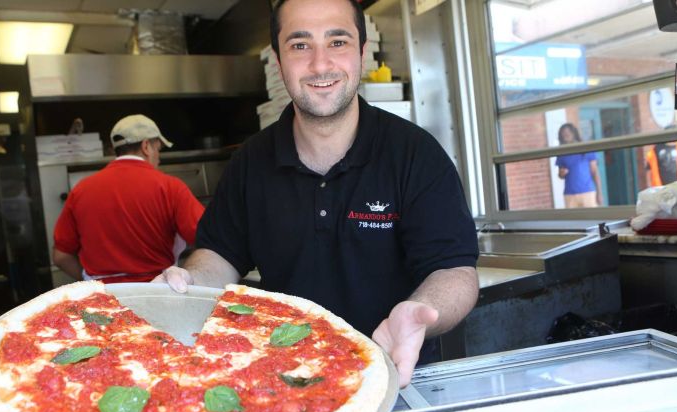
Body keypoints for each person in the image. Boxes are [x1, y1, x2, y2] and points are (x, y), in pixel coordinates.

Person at [154, 0, 479, 387]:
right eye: (300, 45)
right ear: (278, 60)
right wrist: (190, 283)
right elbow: (220, 254)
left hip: (398, 376)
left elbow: (455, 270)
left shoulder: (415, 154)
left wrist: (422, 310)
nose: (321, 65)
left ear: (362, 52)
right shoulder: (250, 162)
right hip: (286, 384)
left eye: (338, 42)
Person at [52, 114, 204, 283]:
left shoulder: (80, 189)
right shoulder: (170, 187)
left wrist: (92, 283)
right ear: (146, 146)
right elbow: (208, 240)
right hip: (157, 293)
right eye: (158, 149)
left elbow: (61, 257)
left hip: (103, 300)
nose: (159, 158)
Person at [554, 123, 603, 208]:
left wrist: (599, 193)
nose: (565, 135)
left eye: (567, 132)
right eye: (563, 134)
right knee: (573, 220)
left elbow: (594, 172)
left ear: (574, 133)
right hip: (569, 194)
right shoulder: (561, 152)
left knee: (592, 219)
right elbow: (560, 175)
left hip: (587, 192)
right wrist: (562, 173)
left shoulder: (586, 148)